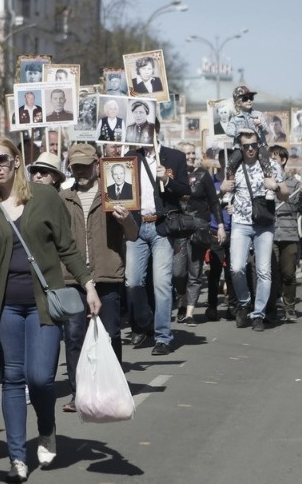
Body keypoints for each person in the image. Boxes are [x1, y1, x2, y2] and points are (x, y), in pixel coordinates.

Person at [0, 137, 98, 483]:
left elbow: (67, 247)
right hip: (6, 306)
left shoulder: (44, 198)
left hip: (45, 302)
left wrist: (88, 284)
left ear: (16, 161)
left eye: (1, 160)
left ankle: (46, 425)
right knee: (12, 379)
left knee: (41, 378)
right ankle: (16, 458)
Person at [58, 143, 137, 412]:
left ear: (97, 165)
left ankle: (110, 391)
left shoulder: (115, 195)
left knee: (111, 334)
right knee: (74, 336)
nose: (80, 171)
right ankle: (78, 392)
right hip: (73, 277)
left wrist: (126, 219)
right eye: (75, 166)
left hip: (107, 274)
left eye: (84, 165)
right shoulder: (63, 197)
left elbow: (133, 234)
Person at [125, 121, 190, 353]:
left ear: (155, 131)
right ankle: (143, 322)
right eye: (138, 129)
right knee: (133, 282)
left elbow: (185, 190)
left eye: (146, 129)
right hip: (136, 227)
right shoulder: (130, 157)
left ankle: (163, 336)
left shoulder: (174, 157)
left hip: (161, 227)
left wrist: (167, 180)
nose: (141, 133)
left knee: (162, 283)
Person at [219, 129, 289, 330]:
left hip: (264, 224)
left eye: (254, 145)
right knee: (237, 267)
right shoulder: (234, 166)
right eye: (246, 146)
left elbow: (285, 194)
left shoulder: (271, 165)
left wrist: (275, 186)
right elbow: (223, 192)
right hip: (241, 223)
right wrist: (223, 188)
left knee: (264, 271)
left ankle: (258, 314)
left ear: (259, 145)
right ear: (240, 147)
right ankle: (244, 302)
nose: (251, 149)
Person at [173, 142, 224, 325]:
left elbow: (214, 201)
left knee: (195, 271)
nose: (191, 157)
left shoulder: (203, 175)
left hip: (199, 229)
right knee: (178, 272)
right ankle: (183, 298)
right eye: (186, 154)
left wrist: (219, 225)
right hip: (179, 228)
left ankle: (189, 313)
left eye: (192, 153)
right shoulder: (172, 175)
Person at [269, 145, 302, 320]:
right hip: (269, 234)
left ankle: (289, 307)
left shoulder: (295, 184)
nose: (271, 161)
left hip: (289, 234)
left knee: (289, 273)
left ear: (283, 160)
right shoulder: (263, 181)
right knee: (269, 273)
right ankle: (270, 308)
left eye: (274, 158)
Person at [224, 86, 273, 182]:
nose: (249, 101)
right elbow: (228, 132)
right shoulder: (235, 118)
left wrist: (261, 125)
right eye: (245, 99)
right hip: (241, 147)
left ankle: (269, 185)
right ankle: (229, 185)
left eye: (251, 98)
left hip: (259, 146)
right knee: (231, 163)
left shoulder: (258, 114)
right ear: (238, 102)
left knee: (265, 161)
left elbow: (267, 131)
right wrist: (240, 130)